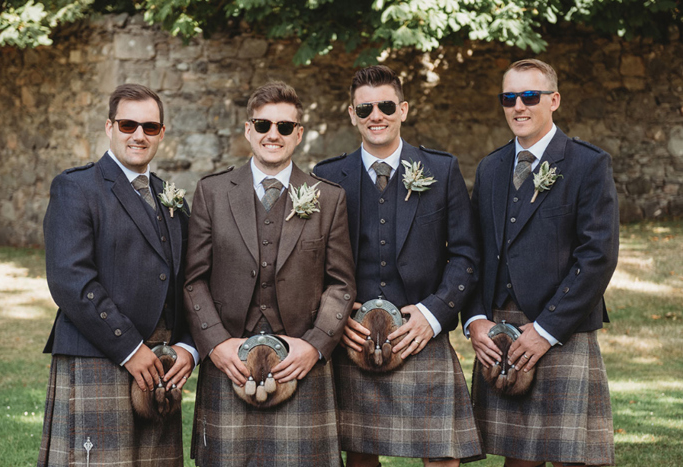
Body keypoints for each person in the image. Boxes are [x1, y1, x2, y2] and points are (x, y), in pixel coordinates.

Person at [314, 65, 484, 467]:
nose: (377, 114)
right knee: (359, 454)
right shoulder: (327, 177)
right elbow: (314, 262)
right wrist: (337, 318)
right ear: (352, 114)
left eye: (387, 105)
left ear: (403, 109)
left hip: (420, 332)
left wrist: (433, 314)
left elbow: (466, 256)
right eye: (366, 107)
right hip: (353, 336)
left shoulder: (440, 170)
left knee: (442, 454)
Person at [184, 81, 356, 466]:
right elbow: (193, 279)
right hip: (229, 363)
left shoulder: (328, 198)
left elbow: (341, 284)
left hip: (301, 362)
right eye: (263, 125)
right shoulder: (212, 192)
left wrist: (313, 345)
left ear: (298, 134)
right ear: (249, 130)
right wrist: (216, 344)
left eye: (283, 127)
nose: (272, 135)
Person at [465, 58, 618, 467]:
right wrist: (476, 316)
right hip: (500, 328)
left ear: (554, 100)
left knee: (573, 459)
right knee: (517, 458)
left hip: (562, 328)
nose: (519, 106)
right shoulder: (491, 167)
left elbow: (598, 256)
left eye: (530, 96)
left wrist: (547, 330)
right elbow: (472, 252)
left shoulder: (588, 164)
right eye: (509, 97)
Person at [38, 83, 197, 466]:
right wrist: (129, 349)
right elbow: (70, 279)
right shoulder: (76, 187)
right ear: (109, 127)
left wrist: (189, 348)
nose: (139, 135)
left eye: (150, 127)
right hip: (98, 358)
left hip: (160, 367)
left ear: (162, 133)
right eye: (128, 125)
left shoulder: (169, 196)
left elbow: (191, 282)